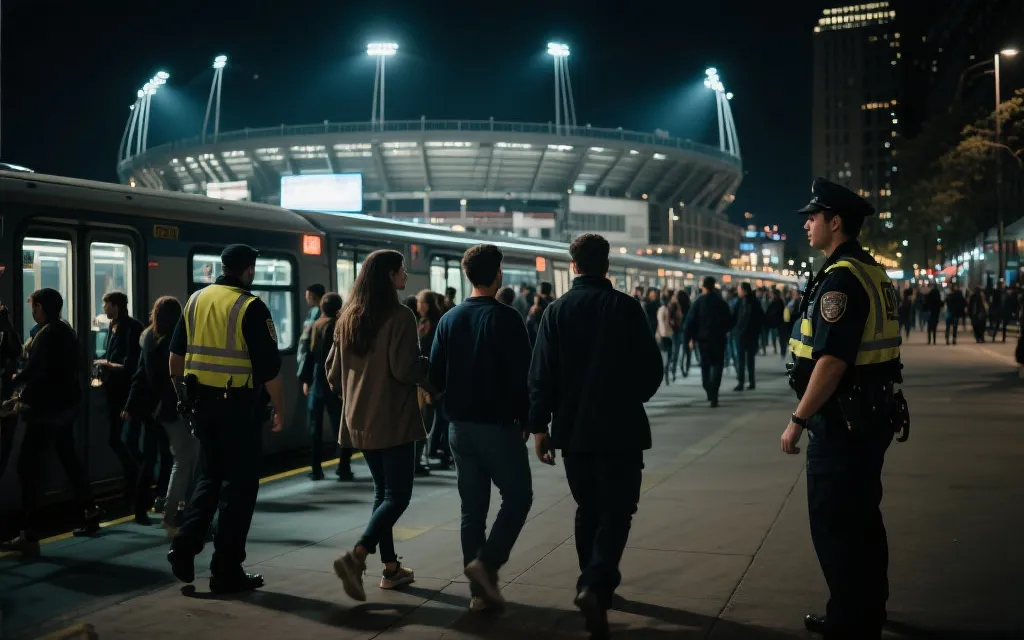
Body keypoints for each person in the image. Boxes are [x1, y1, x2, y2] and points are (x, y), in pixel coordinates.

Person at [783, 178, 906, 639]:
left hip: (842, 421)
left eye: (812, 217)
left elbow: (832, 360)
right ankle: (868, 609)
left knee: (835, 523)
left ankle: (850, 621)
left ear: (836, 223)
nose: (807, 225)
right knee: (864, 518)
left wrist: (798, 420)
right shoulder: (873, 272)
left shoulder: (841, 279)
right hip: (871, 415)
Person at [528, 233, 662, 638]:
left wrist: (539, 426)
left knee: (588, 509)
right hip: (621, 429)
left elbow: (541, 375)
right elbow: (652, 368)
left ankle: (591, 582)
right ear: (607, 266)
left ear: (573, 266)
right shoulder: (626, 308)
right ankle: (596, 583)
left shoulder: (555, 312)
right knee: (618, 510)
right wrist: (630, 396)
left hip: (574, 433)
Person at [166, 244, 285, 594]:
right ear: (248, 270)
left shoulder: (195, 301)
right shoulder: (250, 306)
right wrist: (279, 409)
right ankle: (226, 570)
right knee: (240, 488)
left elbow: (174, 360)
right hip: (239, 410)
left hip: (202, 407)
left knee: (210, 477)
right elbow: (270, 370)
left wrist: (183, 400)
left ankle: (183, 546)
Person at [429, 244, 534, 613]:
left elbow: (435, 376)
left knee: (472, 510)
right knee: (518, 496)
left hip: (458, 427)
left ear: (467, 274)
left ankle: (479, 594)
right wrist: (530, 421)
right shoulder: (508, 319)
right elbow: (524, 378)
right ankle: (486, 565)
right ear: (498, 273)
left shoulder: (449, 319)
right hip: (498, 426)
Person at [328, 250, 435, 601]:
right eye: (401, 269)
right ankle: (357, 556)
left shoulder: (348, 316)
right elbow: (405, 370)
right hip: (392, 419)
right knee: (398, 496)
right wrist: (431, 372)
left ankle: (390, 569)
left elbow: (332, 374)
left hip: (358, 419)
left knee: (382, 493)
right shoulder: (400, 316)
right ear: (389, 275)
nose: (406, 274)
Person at [1, 289, 103, 555]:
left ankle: (29, 534)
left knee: (28, 466)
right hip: (65, 408)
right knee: (68, 458)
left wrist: (14, 384)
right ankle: (90, 510)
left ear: (42, 308)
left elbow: (36, 370)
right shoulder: (65, 330)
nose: (33, 312)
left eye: (34, 307)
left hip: (46, 410)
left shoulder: (48, 336)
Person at [123, 296, 198, 535]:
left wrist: (130, 406)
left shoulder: (147, 339)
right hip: (176, 407)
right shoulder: (177, 341)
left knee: (160, 457)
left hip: (155, 410)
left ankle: (151, 506)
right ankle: (173, 510)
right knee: (185, 458)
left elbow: (140, 375)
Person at [94, 291, 145, 514]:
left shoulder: (132, 328)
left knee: (125, 442)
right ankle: (134, 482)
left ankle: (136, 485)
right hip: (114, 393)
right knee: (117, 440)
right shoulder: (112, 327)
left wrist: (108, 365)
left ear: (116, 306)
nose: (104, 309)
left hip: (126, 395)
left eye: (106, 305)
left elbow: (131, 364)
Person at [299, 292, 354, 481]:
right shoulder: (342, 327)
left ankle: (316, 469)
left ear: (322, 308)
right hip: (336, 382)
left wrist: (306, 380)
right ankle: (344, 467)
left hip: (317, 380)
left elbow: (309, 353)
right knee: (342, 427)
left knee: (315, 428)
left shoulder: (315, 325)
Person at [682, 277, 732, 407]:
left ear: (704, 287)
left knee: (705, 366)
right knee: (717, 366)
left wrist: (689, 338)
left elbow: (690, 321)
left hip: (703, 341)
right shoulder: (721, 303)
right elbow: (729, 322)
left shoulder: (698, 302)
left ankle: (708, 388)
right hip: (719, 340)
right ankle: (714, 394)